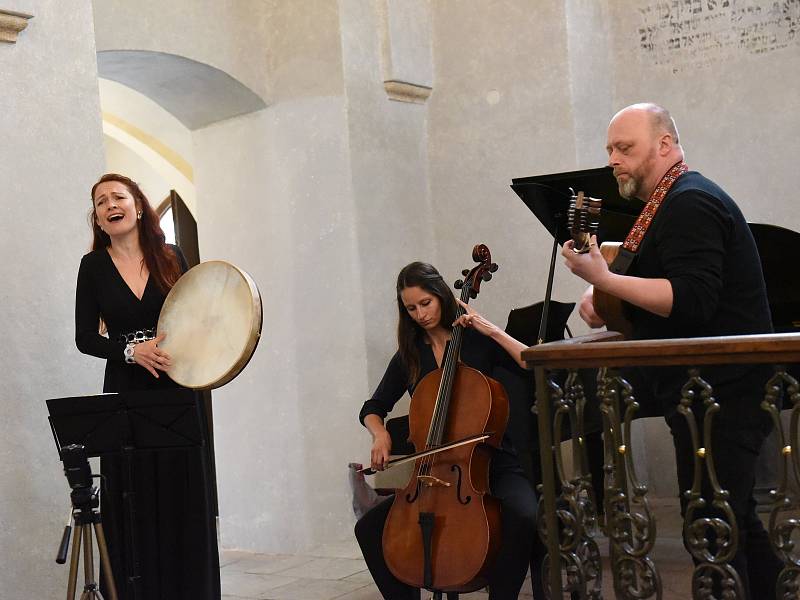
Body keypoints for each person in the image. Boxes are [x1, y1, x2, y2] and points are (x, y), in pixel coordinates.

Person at [561, 103, 782, 598]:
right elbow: (649, 287)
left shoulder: (689, 202)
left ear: (665, 144)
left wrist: (604, 279)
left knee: (715, 524)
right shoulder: (667, 201)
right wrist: (605, 295)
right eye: (610, 149)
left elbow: (693, 299)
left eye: (625, 148)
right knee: (724, 520)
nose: (614, 159)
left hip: (726, 391)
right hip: (703, 392)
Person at [354, 261, 539, 600]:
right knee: (367, 529)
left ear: (441, 295)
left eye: (426, 303)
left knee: (525, 515)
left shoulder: (477, 341)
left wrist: (492, 329)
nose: (420, 314)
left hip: (491, 463)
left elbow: (531, 362)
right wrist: (379, 434)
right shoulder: (410, 356)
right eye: (411, 308)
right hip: (430, 474)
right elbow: (372, 408)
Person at [75, 173, 220, 600]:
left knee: (182, 496)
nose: (109, 205)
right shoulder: (93, 267)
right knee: (131, 494)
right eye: (100, 202)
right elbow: (85, 339)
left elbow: (200, 316)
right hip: (125, 389)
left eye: (117, 197)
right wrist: (129, 351)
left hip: (177, 386)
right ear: (98, 219)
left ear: (138, 206)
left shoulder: (172, 256)